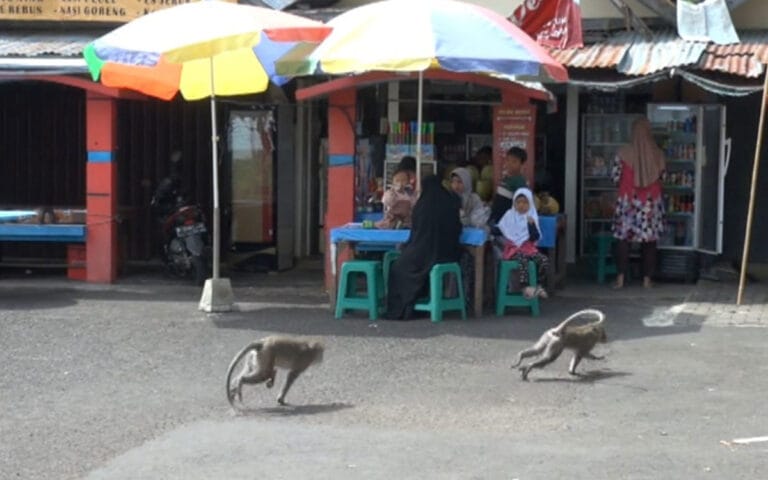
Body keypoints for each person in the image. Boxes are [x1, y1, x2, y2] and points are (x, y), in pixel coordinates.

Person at [384, 175, 463, 320]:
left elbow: (416, 234)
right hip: (448, 254)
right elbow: (457, 228)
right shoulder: (450, 201)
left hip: (423, 253)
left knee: (398, 267)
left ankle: (404, 308)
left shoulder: (422, 206)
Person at [611, 117, 666, 289]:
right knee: (649, 242)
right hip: (650, 203)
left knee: (623, 240)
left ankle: (620, 279)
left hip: (628, 202)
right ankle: (647, 280)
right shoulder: (658, 154)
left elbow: (614, 177)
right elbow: (663, 178)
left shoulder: (622, 153)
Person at [495, 187, 548, 299]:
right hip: (513, 250)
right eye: (518, 202)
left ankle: (538, 285)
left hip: (528, 249)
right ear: (514, 203)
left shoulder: (531, 217)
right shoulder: (509, 216)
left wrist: (531, 225)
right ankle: (525, 287)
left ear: (530, 204)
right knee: (522, 258)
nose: (521, 205)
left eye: (525, 202)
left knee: (543, 260)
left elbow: (535, 238)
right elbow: (500, 229)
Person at [489, 146, 530, 225]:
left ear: (522, 164)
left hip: (506, 222)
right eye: (508, 160)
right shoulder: (505, 178)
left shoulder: (519, 181)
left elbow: (521, 204)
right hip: (497, 218)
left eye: (514, 162)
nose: (509, 164)